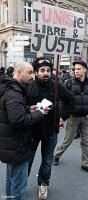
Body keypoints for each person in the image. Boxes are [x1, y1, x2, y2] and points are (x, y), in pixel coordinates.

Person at [26, 57, 75, 200]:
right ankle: (21, 185)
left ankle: (43, 184)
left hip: (51, 132)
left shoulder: (56, 86)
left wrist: (62, 117)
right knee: (27, 160)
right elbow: (20, 106)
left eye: (48, 70)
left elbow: (71, 100)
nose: (46, 73)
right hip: (32, 132)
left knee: (47, 161)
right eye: (42, 70)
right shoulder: (29, 86)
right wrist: (28, 109)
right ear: (36, 72)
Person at [0, 62, 49, 200]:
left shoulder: (11, 88)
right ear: (19, 72)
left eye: (33, 72)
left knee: (11, 179)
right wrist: (39, 113)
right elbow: (18, 121)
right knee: (19, 186)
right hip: (17, 145)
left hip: (11, 144)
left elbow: (11, 113)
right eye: (30, 72)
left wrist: (28, 109)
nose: (32, 76)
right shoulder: (14, 92)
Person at [53, 60, 88, 174]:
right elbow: (63, 101)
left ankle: (86, 164)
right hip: (73, 116)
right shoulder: (68, 82)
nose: (76, 71)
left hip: (86, 117)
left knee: (86, 141)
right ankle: (56, 155)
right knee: (68, 139)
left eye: (78, 69)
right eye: (75, 69)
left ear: (85, 70)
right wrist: (62, 117)